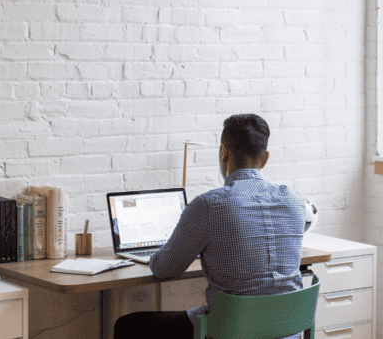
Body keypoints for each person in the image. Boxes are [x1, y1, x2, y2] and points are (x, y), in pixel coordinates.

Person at [114, 114, 307, 339]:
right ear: (264, 159)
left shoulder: (209, 205)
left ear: (223, 152)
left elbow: (164, 269)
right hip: (287, 330)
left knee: (128, 325)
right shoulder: (295, 201)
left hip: (230, 331)